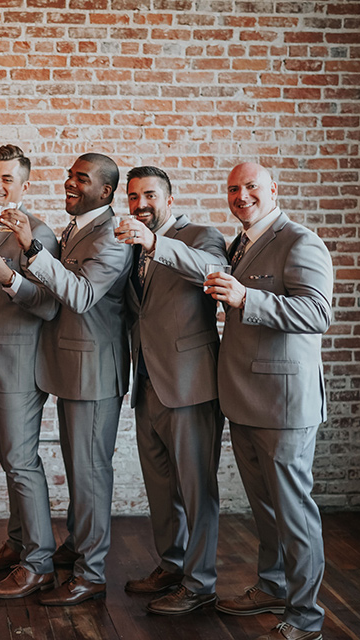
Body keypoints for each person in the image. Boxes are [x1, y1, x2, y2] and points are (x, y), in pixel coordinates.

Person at [207, 163, 333, 640]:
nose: (242, 196)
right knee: (265, 505)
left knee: (293, 511)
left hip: (284, 404)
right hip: (244, 398)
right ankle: (272, 584)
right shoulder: (238, 243)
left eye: (251, 187)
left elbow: (318, 312)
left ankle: (305, 617)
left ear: (273, 189)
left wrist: (245, 298)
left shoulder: (300, 241)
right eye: (234, 189)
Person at [3, 153, 130, 606]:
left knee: (91, 473)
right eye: (70, 176)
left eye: (82, 178)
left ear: (106, 191)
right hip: (70, 367)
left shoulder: (113, 234)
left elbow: (80, 294)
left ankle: (92, 574)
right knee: (79, 468)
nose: (70, 183)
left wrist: (33, 252)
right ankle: (76, 547)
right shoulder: (79, 228)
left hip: (94, 371)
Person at [114, 165, 226, 615]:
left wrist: (157, 244)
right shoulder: (129, 247)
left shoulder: (202, 236)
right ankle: (172, 564)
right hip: (145, 384)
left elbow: (213, 271)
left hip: (190, 384)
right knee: (160, 486)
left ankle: (200, 584)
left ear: (170, 198)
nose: (141, 205)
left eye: (150, 195)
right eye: (134, 196)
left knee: (196, 489)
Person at [0, 145, 61, 598]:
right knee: (11, 462)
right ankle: (18, 543)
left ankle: (39, 561)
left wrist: (9, 278)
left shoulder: (37, 233)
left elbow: (48, 305)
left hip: (18, 366)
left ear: (25, 185)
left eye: (7, 179)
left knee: (22, 463)